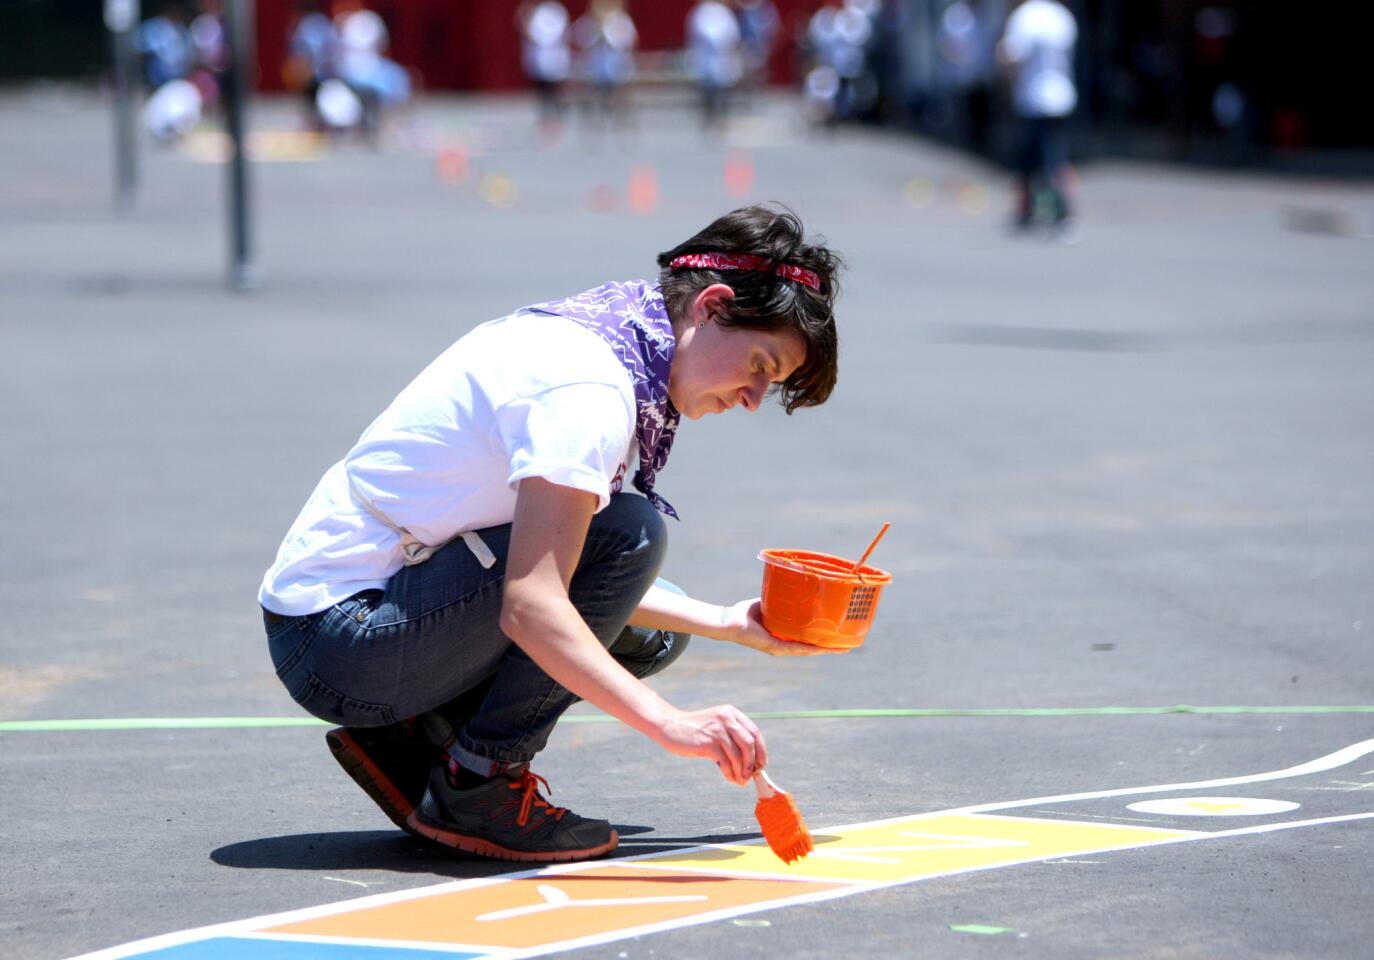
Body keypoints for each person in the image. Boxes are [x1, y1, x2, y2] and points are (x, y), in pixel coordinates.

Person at [259, 205, 843, 863]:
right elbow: (534, 603)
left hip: (354, 612)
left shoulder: (607, 334)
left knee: (651, 619)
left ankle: (425, 737)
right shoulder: (589, 390)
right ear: (710, 307)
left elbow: (553, 572)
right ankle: (477, 785)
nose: (754, 398)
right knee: (629, 536)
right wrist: (672, 724)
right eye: (762, 365)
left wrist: (729, 622)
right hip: (343, 643)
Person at [997, 0, 1078, 234]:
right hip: (1061, 97)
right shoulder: (1061, 15)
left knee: (1029, 160)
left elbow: (1011, 56)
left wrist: (1005, 78)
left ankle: (1031, 209)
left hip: (1032, 99)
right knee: (1056, 156)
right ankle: (1059, 211)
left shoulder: (1025, 16)